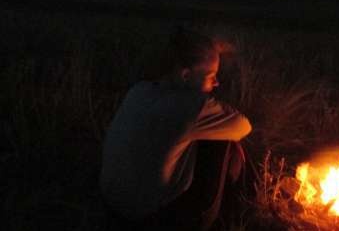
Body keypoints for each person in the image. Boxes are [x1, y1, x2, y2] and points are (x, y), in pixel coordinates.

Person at [100, 27, 252, 230]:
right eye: (211, 75)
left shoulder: (138, 91)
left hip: (112, 211)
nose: (217, 82)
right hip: (152, 220)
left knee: (196, 134)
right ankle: (234, 219)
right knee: (227, 143)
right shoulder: (190, 107)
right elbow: (244, 126)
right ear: (186, 75)